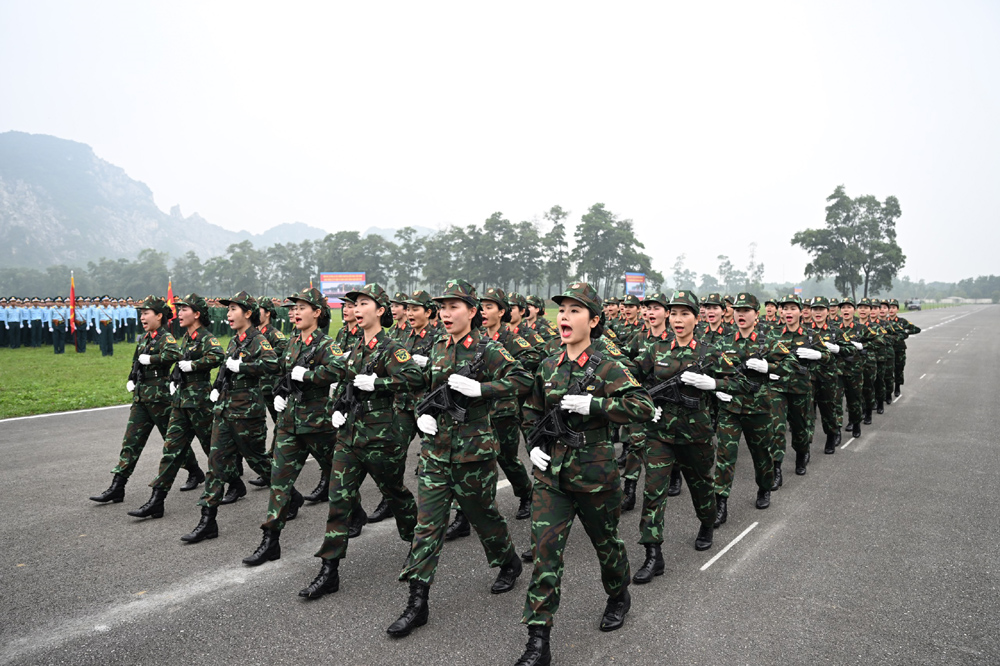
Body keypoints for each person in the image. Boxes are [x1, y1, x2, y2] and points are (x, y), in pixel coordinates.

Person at [514, 282, 654, 666]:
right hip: (551, 480)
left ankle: (618, 594)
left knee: (606, 545)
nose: (565, 317)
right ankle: (537, 641)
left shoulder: (609, 365)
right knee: (545, 556)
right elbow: (531, 411)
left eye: (576, 311)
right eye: (562, 310)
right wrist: (535, 445)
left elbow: (642, 406)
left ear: (593, 321)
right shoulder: (548, 365)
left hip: (594, 476)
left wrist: (597, 404)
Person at [388, 279, 528, 639]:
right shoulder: (436, 346)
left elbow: (524, 378)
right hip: (435, 452)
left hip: (473, 453)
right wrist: (423, 412)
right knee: (427, 526)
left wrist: (484, 389)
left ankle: (508, 560)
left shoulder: (488, 349)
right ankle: (417, 602)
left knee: (484, 516)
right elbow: (423, 385)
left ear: (472, 311)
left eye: (454, 307)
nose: (446, 313)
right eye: (443, 307)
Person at [300, 283, 423, 599]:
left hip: (381, 435)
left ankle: (416, 545)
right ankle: (329, 570)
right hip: (349, 434)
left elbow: (414, 378)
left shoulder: (391, 347)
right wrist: (338, 407)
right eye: (353, 304)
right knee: (338, 498)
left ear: (380, 310)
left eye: (363, 302)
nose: (355, 308)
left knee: (394, 492)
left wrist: (379, 382)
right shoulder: (356, 347)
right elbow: (343, 382)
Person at [633, 290, 748, 561]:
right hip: (659, 433)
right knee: (653, 491)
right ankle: (653, 553)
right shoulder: (656, 349)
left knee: (701, 487)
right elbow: (631, 377)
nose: (677, 319)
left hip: (696, 434)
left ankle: (707, 523)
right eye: (673, 313)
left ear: (697, 319)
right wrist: (647, 404)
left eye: (685, 313)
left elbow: (743, 384)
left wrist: (715, 384)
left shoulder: (712, 353)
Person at [239, 287, 339, 563]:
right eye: (292, 308)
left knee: (339, 478)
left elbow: (339, 369)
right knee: (279, 481)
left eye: (301, 307)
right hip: (289, 423)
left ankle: (355, 512)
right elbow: (282, 371)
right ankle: (270, 540)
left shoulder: (326, 344)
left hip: (318, 424)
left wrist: (309, 375)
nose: (294, 312)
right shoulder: (294, 342)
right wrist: (281, 392)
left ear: (317, 312)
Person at [182, 291, 278, 545]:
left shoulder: (258, 340)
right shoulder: (236, 340)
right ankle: (207, 520)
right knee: (215, 464)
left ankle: (291, 496)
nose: (229, 314)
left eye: (234, 309)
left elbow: (272, 365)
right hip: (225, 410)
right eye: (228, 310)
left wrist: (244, 367)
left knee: (258, 461)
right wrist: (216, 386)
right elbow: (226, 368)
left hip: (247, 413)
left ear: (248, 313)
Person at [128, 294, 225, 519]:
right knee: (171, 450)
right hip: (181, 401)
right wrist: (175, 378)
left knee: (213, 447)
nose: (179, 313)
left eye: (183, 310)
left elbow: (217, 356)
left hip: (199, 401)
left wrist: (194, 365)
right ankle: (157, 499)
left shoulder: (205, 337)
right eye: (178, 310)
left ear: (197, 314)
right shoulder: (188, 338)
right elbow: (179, 363)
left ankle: (235, 483)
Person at [89, 296, 181, 505]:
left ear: (159, 316)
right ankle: (117, 486)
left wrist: (153, 359)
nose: (142, 317)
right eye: (141, 314)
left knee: (173, 441)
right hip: (141, 396)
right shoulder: (143, 338)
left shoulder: (166, 338)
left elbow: (175, 354)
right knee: (131, 442)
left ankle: (194, 470)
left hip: (159, 398)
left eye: (146, 313)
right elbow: (135, 361)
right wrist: (132, 377)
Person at [712, 292, 776, 528]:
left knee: (761, 454)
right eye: (738, 310)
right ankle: (720, 503)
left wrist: (769, 367)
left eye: (746, 311)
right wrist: (715, 390)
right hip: (730, 409)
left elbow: (792, 366)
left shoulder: (768, 342)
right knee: (725, 457)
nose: (741, 314)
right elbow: (709, 370)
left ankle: (764, 487)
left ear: (756, 315)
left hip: (758, 410)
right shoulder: (723, 343)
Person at [768, 294, 831, 481]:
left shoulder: (811, 335)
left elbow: (829, 357)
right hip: (777, 387)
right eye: (785, 308)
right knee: (776, 428)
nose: (788, 312)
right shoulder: (773, 334)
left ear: (801, 312)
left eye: (792, 308)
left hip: (801, 389)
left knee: (800, 428)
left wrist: (817, 355)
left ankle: (801, 454)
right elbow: (762, 355)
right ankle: (776, 467)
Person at [247, 298, 292, 492]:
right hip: (258, 387)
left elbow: (279, 360)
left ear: (268, 313)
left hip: (272, 386)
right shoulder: (254, 335)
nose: (258, 312)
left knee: (281, 423)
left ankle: (275, 461)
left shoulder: (275, 335)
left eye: (261, 310)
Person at [837, 298, 866, 439]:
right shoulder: (834, 328)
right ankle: (836, 432)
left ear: (854, 310)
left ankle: (856, 423)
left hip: (854, 370)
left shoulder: (861, 328)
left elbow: (880, 340)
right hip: (837, 370)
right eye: (843, 308)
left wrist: (863, 347)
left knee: (854, 400)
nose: (846, 310)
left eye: (849, 307)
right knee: (836, 402)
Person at [887, 298, 921, 396]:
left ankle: (897, 387)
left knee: (898, 369)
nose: (891, 310)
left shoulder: (902, 322)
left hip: (899, 350)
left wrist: (906, 332)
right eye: (889, 308)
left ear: (897, 309)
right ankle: (888, 391)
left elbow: (917, 329)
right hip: (888, 350)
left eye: (893, 307)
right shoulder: (884, 321)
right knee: (888, 371)